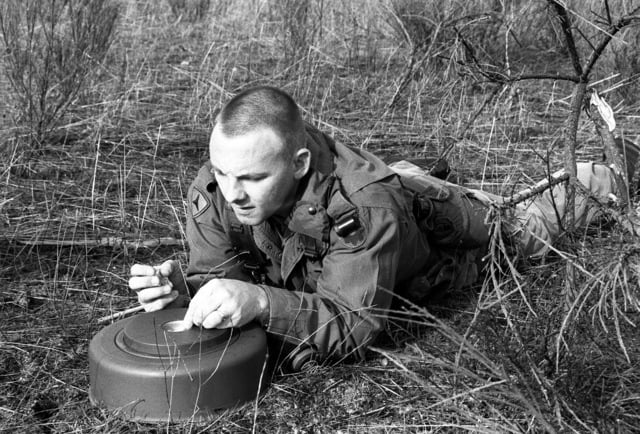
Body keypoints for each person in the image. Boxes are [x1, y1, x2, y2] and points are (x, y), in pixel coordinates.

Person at [128, 86, 637, 370]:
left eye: (253, 178)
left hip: (440, 242)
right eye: (221, 171)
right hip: (382, 200)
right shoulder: (222, 180)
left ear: (300, 163)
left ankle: (617, 169)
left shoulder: (367, 209)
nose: (231, 192)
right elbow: (223, 271)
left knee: (521, 228)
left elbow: (352, 325)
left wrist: (261, 302)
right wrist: (186, 289)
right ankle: (409, 178)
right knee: (396, 187)